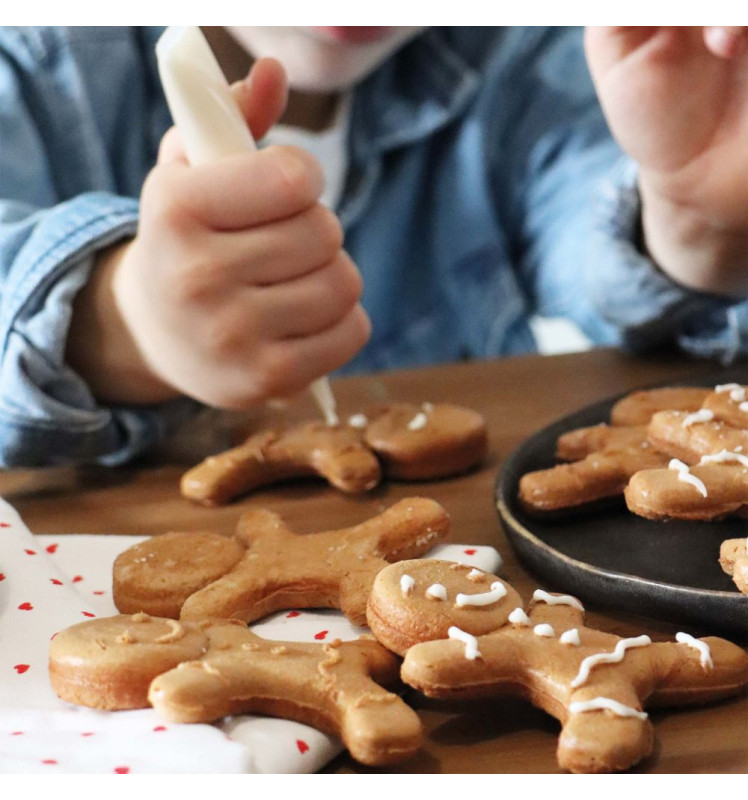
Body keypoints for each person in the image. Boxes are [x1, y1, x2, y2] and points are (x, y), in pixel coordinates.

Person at [0, 26, 745, 468]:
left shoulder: (519, 54)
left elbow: (593, 247)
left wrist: (692, 218)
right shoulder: (36, 64)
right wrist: (122, 324)